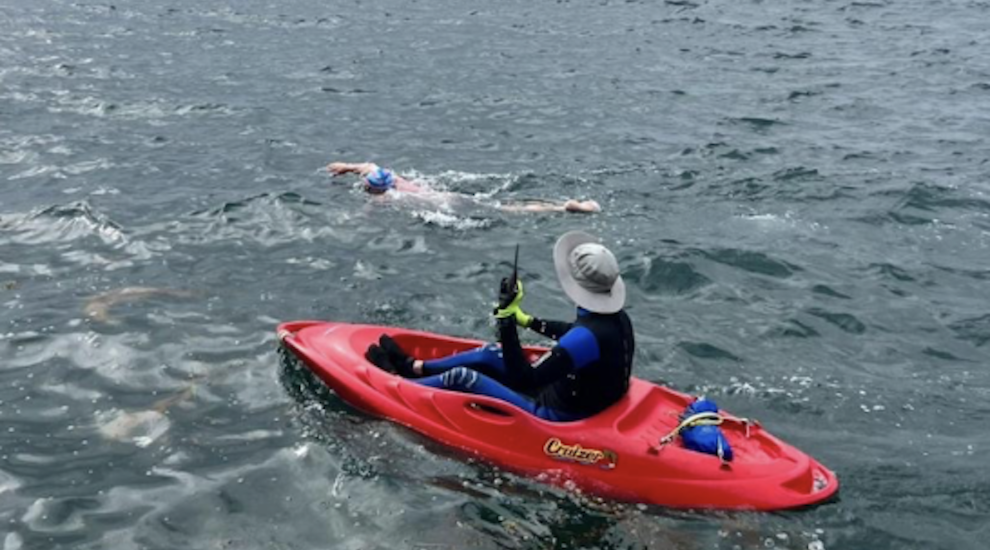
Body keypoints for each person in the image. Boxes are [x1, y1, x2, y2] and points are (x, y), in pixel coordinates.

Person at [365, 231, 635, 421]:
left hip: (555, 412)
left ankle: (397, 384)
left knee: (463, 378)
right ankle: (414, 367)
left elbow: (524, 379)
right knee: (489, 353)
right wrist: (525, 320)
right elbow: (572, 333)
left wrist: (506, 318)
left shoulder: (585, 337)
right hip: (584, 398)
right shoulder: (615, 319)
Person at [327, 162, 602, 214]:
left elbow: (363, 212)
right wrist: (345, 166)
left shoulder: (386, 198)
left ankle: (563, 208)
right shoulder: (390, 177)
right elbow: (366, 164)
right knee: (501, 205)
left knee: (505, 210)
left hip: (445, 206)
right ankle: (561, 206)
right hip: (445, 195)